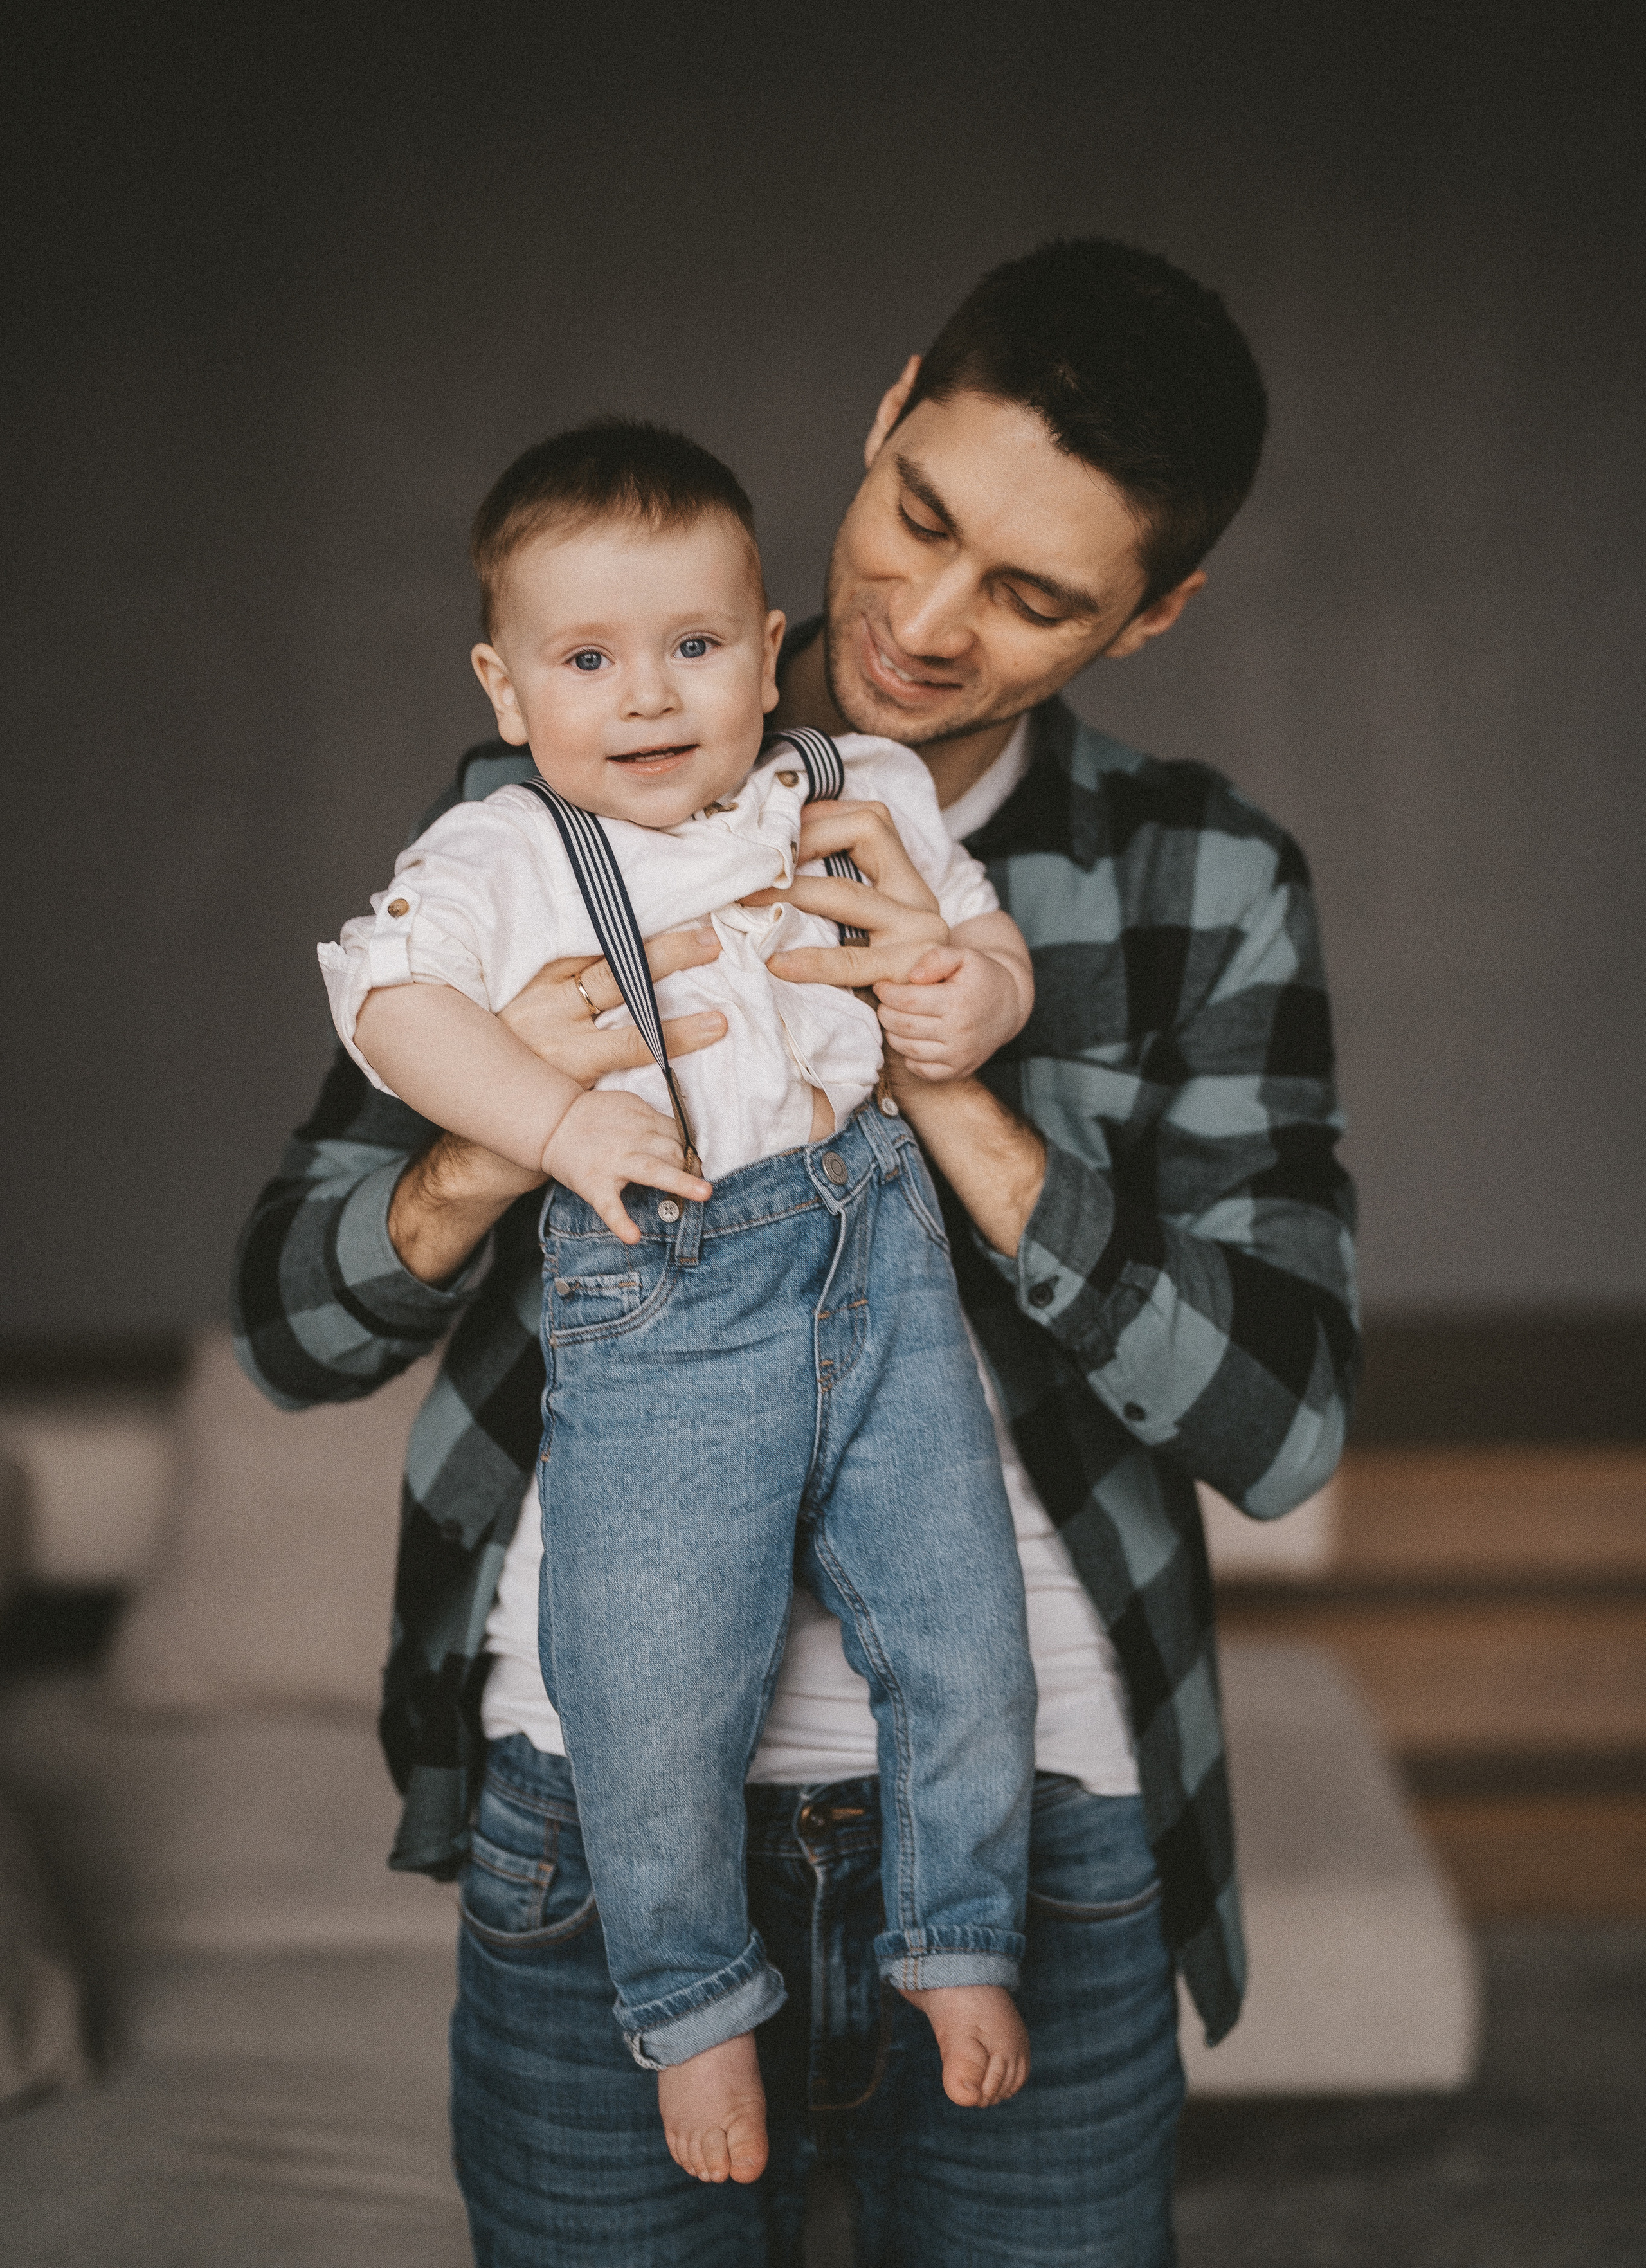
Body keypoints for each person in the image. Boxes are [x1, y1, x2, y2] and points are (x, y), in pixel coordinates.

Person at [235, 237, 1359, 2266]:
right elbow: (293, 1325)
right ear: (889, 404)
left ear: (1158, 609)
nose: (923, 622)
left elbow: (1284, 1428)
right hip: (594, 1809)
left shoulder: (1205, 879)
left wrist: (945, 1082)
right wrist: (509, 1141)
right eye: (921, 517)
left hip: (1054, 1817)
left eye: (1034, 596)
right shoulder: (540, 806)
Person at [318, 419, 1040, 2184]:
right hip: (669, 1299)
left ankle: (959, 1945)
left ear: (768, 648)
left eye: (695, 647)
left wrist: (973, 1008)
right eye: (587, 659)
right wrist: (550, 1117)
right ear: (507, 686)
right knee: (650, 1690)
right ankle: (694, 2007)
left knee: (964, 1629)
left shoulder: (856, 789)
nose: (647, 698)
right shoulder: (502, 853)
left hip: (880, 1267)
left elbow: (980, 929)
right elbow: (389, 1009)